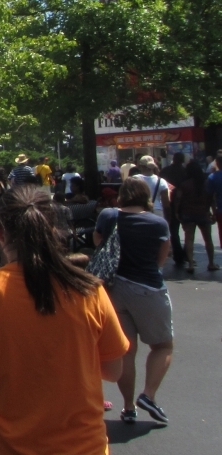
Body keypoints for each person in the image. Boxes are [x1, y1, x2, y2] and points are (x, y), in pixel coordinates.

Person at [0, 185, 128, 454]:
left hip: (7, 447)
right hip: (84, 446)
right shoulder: (88, 289)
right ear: (53, 229)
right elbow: (113, 370)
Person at [94, 178, 173, 426]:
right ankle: (148, 395)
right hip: (148, 287)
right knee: (162, 345)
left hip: (114, 288)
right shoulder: (158, 223)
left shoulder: (108, 216)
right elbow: (162, 256)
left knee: (126, 351)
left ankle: (128, 407)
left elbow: (98, 242)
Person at [136, 154, 183, 266]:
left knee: (141, 239)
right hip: (157, 212)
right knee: (157, 240)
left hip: (139, 211)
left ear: (141, 166)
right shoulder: (161, 181)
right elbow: (166, 203)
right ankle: (157, 264)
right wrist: (167, 219)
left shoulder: (135, 180)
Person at [173, 160, 218, 273]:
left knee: (189, 239)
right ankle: (211, 263)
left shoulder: (184, 184)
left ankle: (191, 264)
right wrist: (213, 212)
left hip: (188, 214)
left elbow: (179, 200)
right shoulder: (206, 183)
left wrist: (177, 212)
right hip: (203, 213)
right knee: (208, 240)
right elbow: (212, 200)